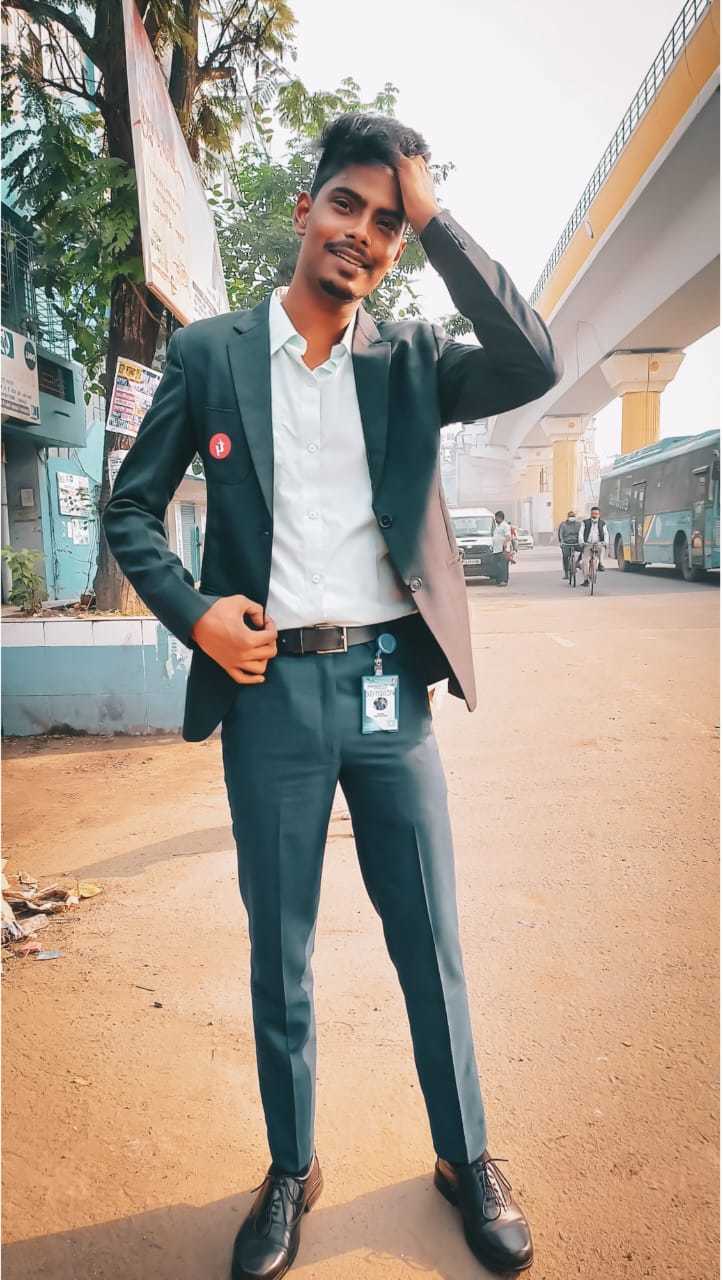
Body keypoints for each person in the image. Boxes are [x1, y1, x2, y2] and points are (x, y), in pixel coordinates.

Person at [103, 112, 562, 1279]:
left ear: (400, 246)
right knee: (282, 947)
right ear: (305, 209)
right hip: (267, 693)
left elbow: (532, 360)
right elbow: (130, 508)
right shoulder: (208, 356)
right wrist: (195, 611)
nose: (362, 231)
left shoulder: (411, 361)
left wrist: (438, 213)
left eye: (388, 220)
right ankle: (291, 1165)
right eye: (348, 204)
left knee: (429, 935)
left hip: (388, 689)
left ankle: (465, 1152)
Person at [578, 505, 609, 584]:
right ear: (590, 514)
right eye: (593, 514)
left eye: (596, 514)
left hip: (598, 544)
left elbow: (606, 534)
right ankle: (586, 579)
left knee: (602, 548)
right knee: (585, 562)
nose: (594, 515)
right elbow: (581, 533)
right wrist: (582, 542)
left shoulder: (602, 523)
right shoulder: (585, 522)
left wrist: (605, 542)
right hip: (588, 544)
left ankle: (601, 563)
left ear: (599, 515)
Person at [491, 510, 513, 586]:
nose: (495, 519)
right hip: (497, 549)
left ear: (499, 517)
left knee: (503, 566)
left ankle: (503, 581)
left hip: (503, 549)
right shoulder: (498, 526)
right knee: (498, 566)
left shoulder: (505, 526)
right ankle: (500, 580)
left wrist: (504, 544)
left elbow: (508, 537)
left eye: (496, 518)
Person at [558, 509, 581, 579]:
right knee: (565, 557)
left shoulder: (579, 524)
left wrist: (582, 541)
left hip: (576, 542)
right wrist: (561, 542)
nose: (572, 517)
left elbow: (582, 534)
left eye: (573, 516)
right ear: (568, 517)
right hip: (566, 543)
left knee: (585, 550)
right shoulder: (563, 524)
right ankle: (566, 573)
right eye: (570, 516)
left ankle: (577, 562)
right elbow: (560, 534)